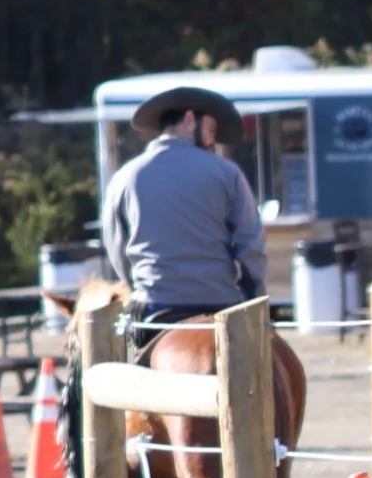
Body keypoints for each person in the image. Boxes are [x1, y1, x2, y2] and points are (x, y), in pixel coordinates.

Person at [98, 86, 267, 343]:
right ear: (190, 119)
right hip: (221, 304)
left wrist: (137, 287)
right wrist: (253, 300)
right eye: (211, 130)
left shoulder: (124, 178)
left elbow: (117, 249)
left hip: (154, 307)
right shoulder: (227, 173)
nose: (212, 142)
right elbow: (250, 246)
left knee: (120, 370)